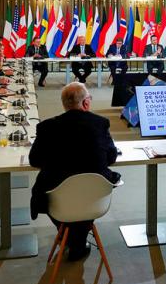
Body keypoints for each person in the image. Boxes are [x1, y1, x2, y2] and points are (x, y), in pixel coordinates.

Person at [29, 82, 120, 261]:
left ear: (64, 104)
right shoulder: (100, 123)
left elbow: (35, 160)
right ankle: (76, 239)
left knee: (52, 191)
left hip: (58, 198)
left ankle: (69, 235)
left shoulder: (47, 127)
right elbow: (111, 157)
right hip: (95, 197)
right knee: (84, 197)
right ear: (85, 103)